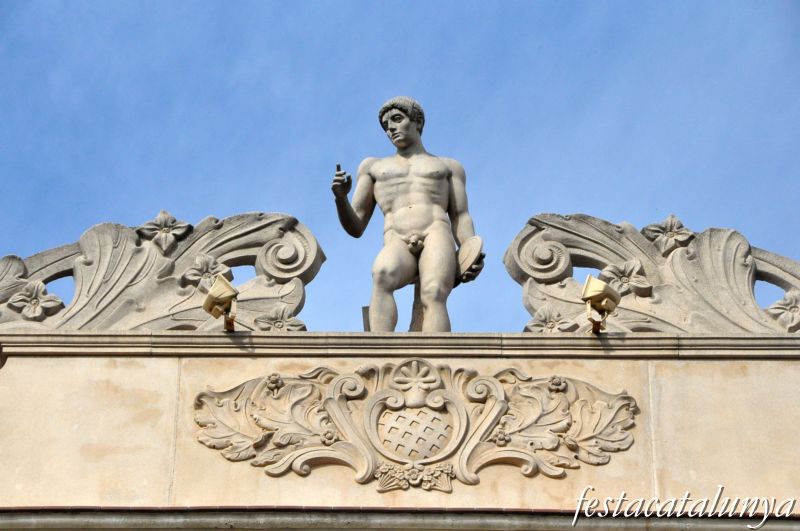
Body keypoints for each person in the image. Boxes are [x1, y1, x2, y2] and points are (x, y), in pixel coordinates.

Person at [331, 96, 484, 332]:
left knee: (434, 293)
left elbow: (460, 216)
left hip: (436, 232)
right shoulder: (373, 167)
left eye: (397, 119)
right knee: (382, 274)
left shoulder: (448, 166)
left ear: (418, 122)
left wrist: (469, 250)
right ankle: (379, 359)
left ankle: (438, 362)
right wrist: (341, 198)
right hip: (397, 238)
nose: (390, 128)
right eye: (385, 125)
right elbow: (356, 226)